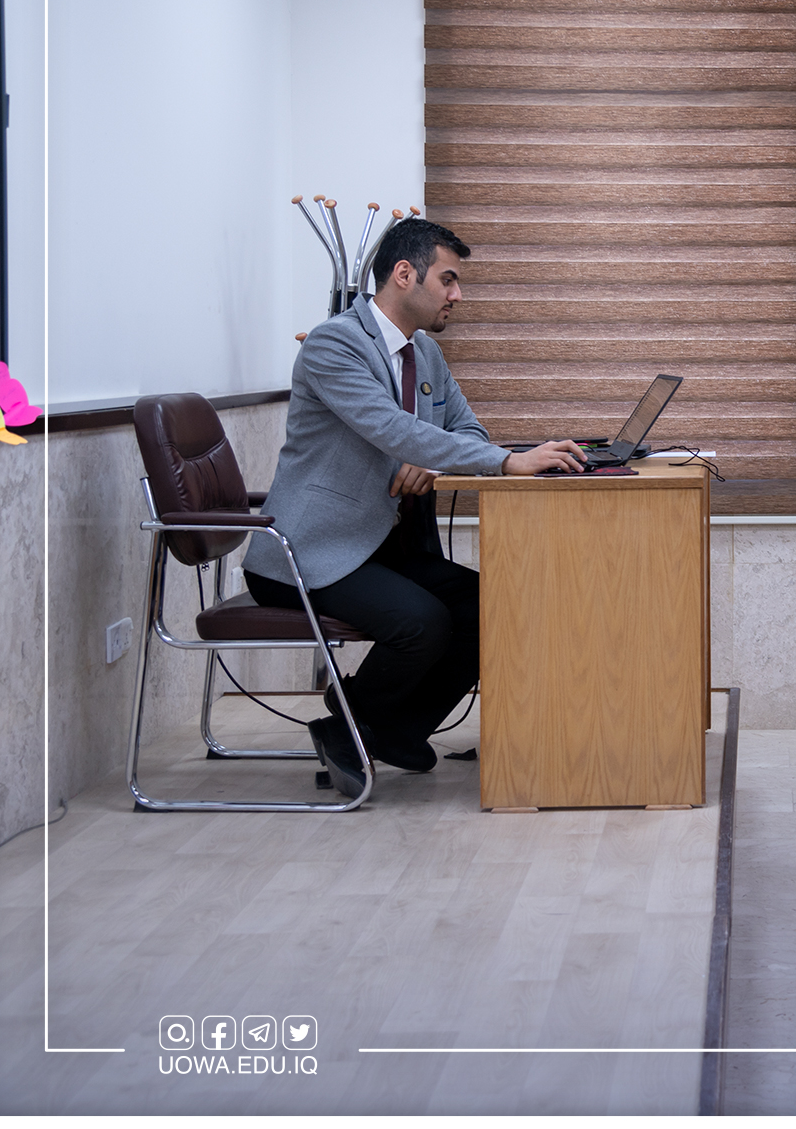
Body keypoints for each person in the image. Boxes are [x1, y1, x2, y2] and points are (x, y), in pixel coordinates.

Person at [243, 217, 585, 799]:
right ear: (405, 274)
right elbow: (389, 427)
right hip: (308, 552)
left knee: (492, 605)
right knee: (422, 622)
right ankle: (351, 728)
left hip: (377, 546)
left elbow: (466, 429)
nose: (458, 295)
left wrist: (431, 459)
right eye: (448, 280)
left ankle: (387, 728)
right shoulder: (333, 344)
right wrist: (506, 462)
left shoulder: (424, 354)